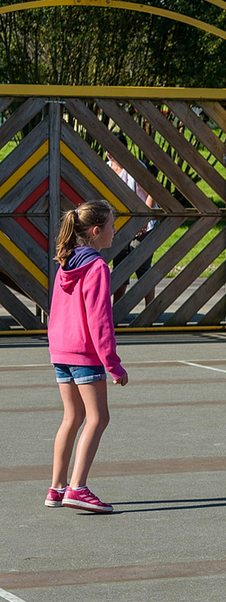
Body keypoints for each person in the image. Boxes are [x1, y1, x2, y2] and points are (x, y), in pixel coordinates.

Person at [47, 200, 129, 514]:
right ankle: (77, 488)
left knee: (72, 417)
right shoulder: (96, 267)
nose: (115, 230)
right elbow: (100, 320)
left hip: (61, 351)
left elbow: (56, 311)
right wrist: (113, 364)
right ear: (96, 232)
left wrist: (56, 348)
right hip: (84, 353)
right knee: (98, 417)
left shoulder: (66, 262)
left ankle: (56, 488)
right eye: (111, 225)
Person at [104, 150, 156, 307]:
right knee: (120, 268)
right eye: (109, 151)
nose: (110, 154)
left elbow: (151, 193)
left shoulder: (135, 168)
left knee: (142, 267)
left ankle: (150, 310)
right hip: (118, 228)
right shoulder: (105, 168)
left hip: (142, 226)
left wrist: (143, 220)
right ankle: (117, 310)